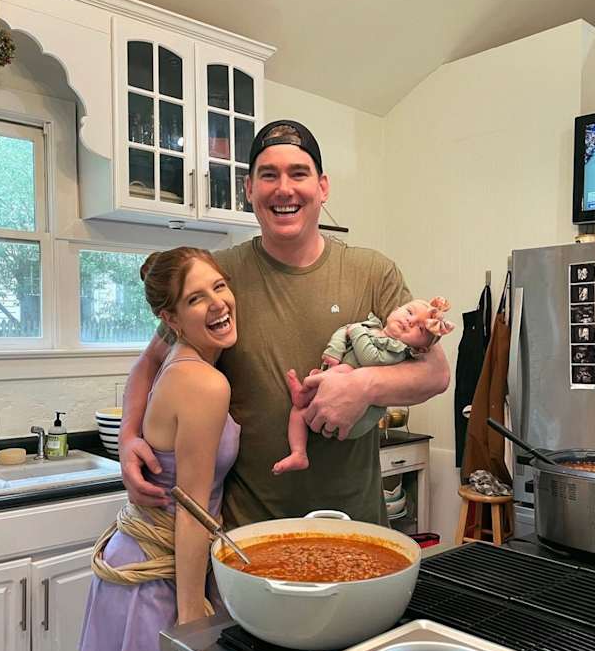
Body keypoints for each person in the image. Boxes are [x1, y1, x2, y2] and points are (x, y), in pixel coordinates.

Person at [120, 119, 450, 528]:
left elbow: (435, 373)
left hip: (355, 524)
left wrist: (364, 386)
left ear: (323, 187)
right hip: (250, 532)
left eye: (299, 173)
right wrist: (127, 439)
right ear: (249, 190)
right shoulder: (218, 279)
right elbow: (148, 364)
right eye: (268, 175)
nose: (284, 189)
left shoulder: (372, 272)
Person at [78, 248, 240, 651]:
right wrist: (190, 623)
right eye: (196, 299)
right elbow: (193, 510)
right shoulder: (205, 383)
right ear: (171, 319)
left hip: (143, 558)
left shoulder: (180, 354)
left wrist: (128, 435)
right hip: (157, 576)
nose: (218, 303)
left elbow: (143, 363)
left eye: (219, 287)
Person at [273, 298, 455, 475]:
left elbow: (369, 358)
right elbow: (342, 332)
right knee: (298, 413)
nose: (410, 320)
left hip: (354, 420)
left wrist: (355, 331)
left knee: (343, 371)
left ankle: (307, 392)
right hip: (327, 397)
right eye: (409, 312)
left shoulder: (397, 351)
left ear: (420, 349)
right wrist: (334, 351)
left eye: (420, 328)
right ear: (395, 309)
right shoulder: (371, 327)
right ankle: (298, 453)